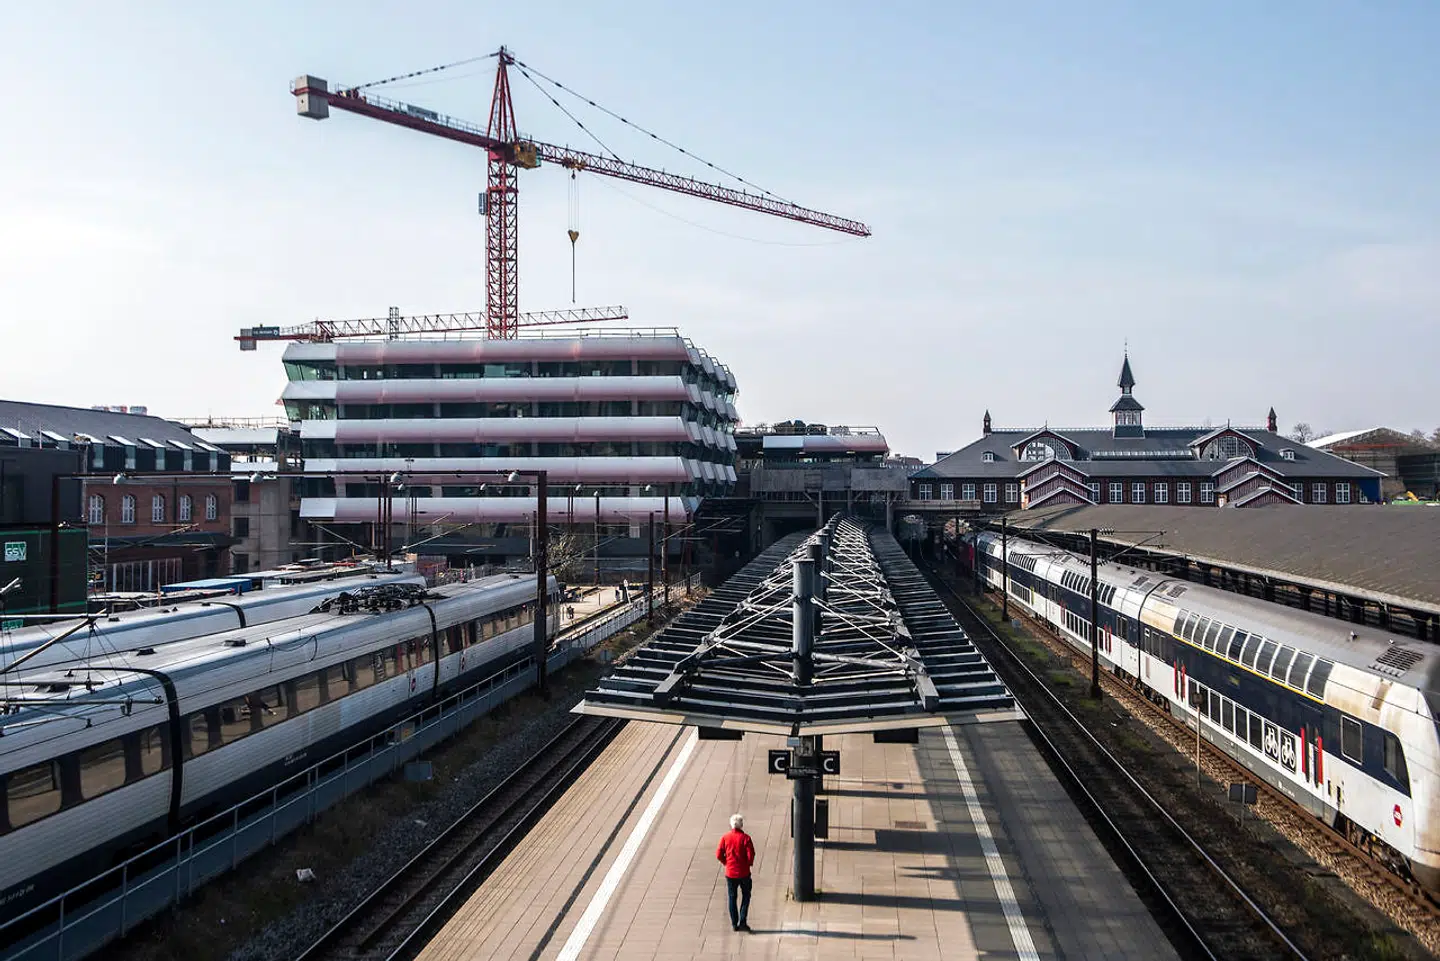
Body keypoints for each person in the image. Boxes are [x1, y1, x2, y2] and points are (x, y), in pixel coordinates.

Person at [716, 813, 756, 931]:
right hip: (744, 873)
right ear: (741, 825)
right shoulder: (746, 839)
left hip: (730, 873)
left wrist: (726, 863)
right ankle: (743, 921)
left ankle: (734, 923)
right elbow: (751, 855)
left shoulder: (725, 838)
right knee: (746, 895)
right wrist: (748, 864)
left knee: (732, 897)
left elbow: (718, 854)